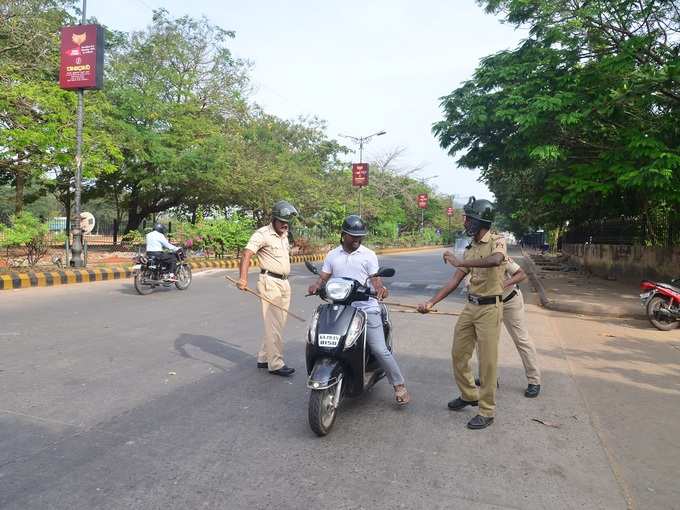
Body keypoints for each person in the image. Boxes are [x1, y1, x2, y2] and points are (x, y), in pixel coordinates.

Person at [417, 197, 506, 430]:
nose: (465, 221)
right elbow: (455, 280)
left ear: (480, 221)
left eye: (468, 218)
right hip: (471, 307)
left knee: (487, 363)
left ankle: (487, 411)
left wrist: (461, 261)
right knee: (458, 354)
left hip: (490, 308)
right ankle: (469, 394)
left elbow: (496, 261)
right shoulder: (471, 248)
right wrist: (430, 302)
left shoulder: (497, 241)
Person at [307, 215, 410, 405]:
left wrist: (380, 289)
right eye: (353, 236)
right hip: (339, 307)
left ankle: (399, 384)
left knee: (379, 348)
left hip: (365, 308)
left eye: (360, 236)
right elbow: (323, 276)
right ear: (343, 234)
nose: (357, 240)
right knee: (319, 339)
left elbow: (375, 278)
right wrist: (316, 285)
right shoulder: (332, 255)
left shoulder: (368, 255)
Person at [446, 255, 542, 398]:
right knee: (482, 341)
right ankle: (489, 378)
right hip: (487, 306)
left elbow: (521, 274)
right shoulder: (468, 260)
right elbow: (459, 281)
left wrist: (503, 284)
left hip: (509, 302)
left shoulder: (497, 255)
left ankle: (534, 380)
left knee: (521, 339)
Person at [237, 200, 298, 377]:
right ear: (274, 219)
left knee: (278, 323)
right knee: (274, 324)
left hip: (284, 282)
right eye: (281, 222)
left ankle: (264, 357)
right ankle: (276, 363)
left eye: (287, 223)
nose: (285, 225)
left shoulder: (285, 234)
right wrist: (243, 278)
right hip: (269, 282)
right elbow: (247, 253)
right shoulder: (262, 234)